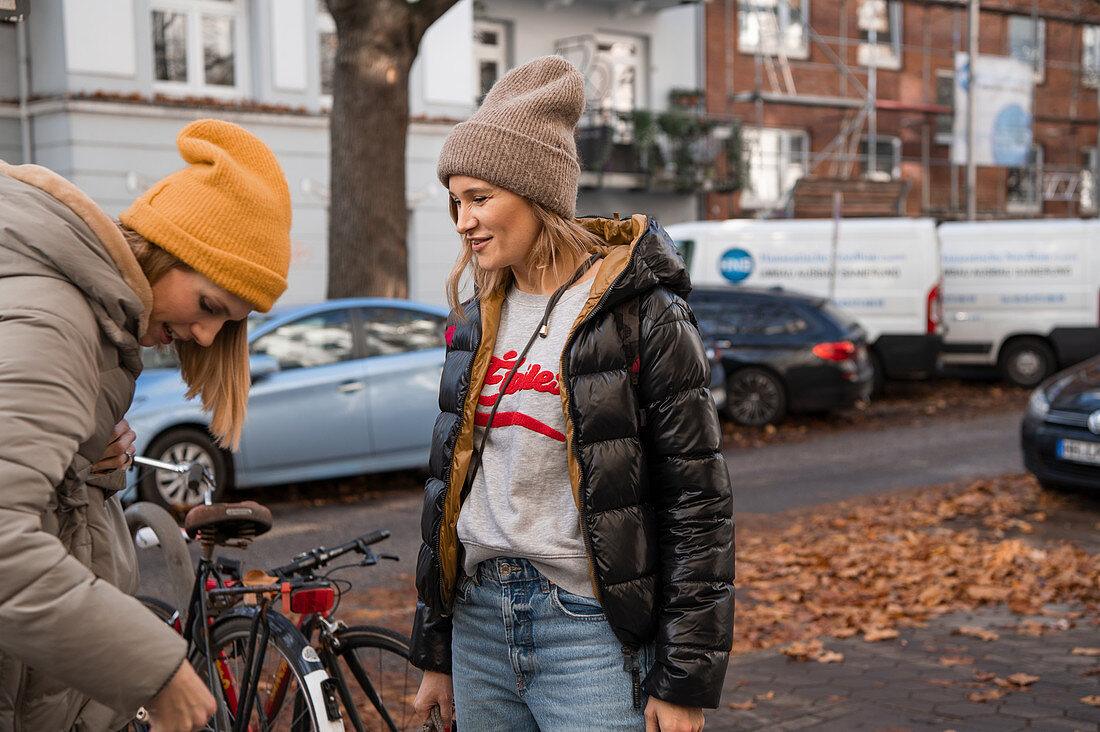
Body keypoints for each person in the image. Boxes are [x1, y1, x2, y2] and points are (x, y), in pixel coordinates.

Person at [410, 56, 734, 732]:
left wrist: (685, 680)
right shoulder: (476, 320)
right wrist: (436, 649)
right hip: (477, 625)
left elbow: (696, 503)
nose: (463, 220)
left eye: (479, 198)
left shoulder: (640, 314)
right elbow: (449, 493)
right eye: (456, 202)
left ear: (535, 193)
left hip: (586, 629)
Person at [0, 118, 292, 731]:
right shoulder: (58, 321)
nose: (208, 335)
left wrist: (77, 463)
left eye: (230, 323)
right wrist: (156, 673)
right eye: (210, 305)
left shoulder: (86, 319)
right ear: (161, 249)